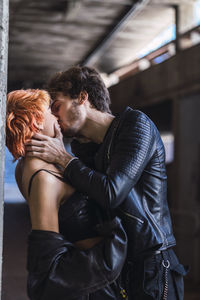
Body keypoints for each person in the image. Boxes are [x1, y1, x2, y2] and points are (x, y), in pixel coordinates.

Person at [25, 66, 187, 300]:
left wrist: (62, 157)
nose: (54, 115)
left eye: (57, 105)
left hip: (152, 264)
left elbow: (112, 192)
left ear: (82, 97)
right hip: (117, 263)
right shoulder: (83, 148)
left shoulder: (136, 125)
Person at [6, 89, 128, 300]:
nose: (57, 116)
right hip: (93, 285)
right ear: (35, 120)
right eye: (50, 111)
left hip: (100, 277)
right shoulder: (42, 177)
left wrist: (61, 150)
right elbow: (48, 263)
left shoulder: (29, 164)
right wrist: (108, 258)